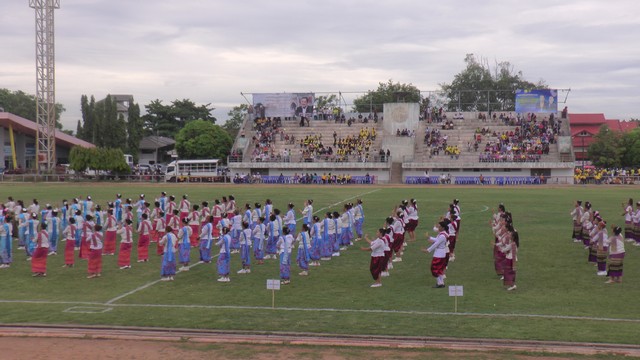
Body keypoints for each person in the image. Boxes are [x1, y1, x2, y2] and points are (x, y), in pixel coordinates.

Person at [422, 220, 449, 288]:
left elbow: (436, 243)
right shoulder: (443, 234)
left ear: (443, 228)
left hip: (439, 254)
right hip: (441, 253)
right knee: (439, 269)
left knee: (434, 268)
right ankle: (441, 283)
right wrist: (429, 237)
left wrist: (428, 250)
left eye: (439, 226)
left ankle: (439, 283)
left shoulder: (442, 235)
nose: (438, 228)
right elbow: (437, 240)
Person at [499, 224, 519, 291]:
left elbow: (506, 249)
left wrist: (501, 248)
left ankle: (512, 285)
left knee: (509, 272)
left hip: (510, 259)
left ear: (513, 237)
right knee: (510, 272)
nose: (509, 235)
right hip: (511, 259)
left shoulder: (512, 244)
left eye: (511, 235)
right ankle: (513, 285)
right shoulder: (514, 243)